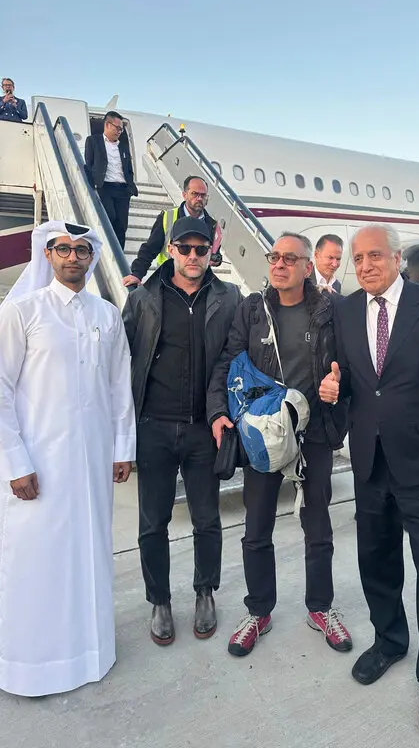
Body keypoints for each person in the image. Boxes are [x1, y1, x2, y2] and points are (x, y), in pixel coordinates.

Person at [319, 224, 419, 738]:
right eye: (357, 258)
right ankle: (389, 640)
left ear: (396, 258)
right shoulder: (344, 311)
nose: (364, 265)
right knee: (376, 560)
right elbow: (350, 382)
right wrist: (332, 389)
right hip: (369, 459)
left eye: (374, 256)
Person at [0, 221, 136, 697]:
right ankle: (31, 665)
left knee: (90, 554)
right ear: (48, 255)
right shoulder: (22, 311)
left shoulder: (106, 314)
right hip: (38, 463)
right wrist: (15, 462)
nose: (73, 257)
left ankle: (90, 652)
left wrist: (123, 448)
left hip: (93, 461)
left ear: (91, 257)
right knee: (35, 559)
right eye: (63, 249)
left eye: (82, 250)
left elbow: (120, 385)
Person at [207, 232, 352, 658]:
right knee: (256, 530)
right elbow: (226, 361)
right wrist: (220, 412)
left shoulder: (332, 310)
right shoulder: (252, 310)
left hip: (315, 434)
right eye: (275, 256)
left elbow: (352, 362)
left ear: (309, 266)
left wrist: (338, 385)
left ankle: (320, 607)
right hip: (264, 433)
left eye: (291, 258)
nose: (280, 264)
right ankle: (259, 611)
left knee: (318, 525)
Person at [122, 217, 241, 645]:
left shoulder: (229, 298)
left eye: (201, 249)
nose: (194, 256)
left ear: (212, 251)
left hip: (203, 431)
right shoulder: (143, 298)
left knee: (207, 520)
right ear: (170, 249)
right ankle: (160, 600)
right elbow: (121, 362)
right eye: (185, 248)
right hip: (153, 427)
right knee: (153, 523)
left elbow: (241, 354)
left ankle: (205, 591)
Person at [123, 175, 222, 287]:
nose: (199, 198)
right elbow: (150, 249)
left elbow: (215, 253)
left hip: (198, 286)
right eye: (195, 194)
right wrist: (137, 274)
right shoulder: (167, 217)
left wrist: (216, 259)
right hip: (167, 283)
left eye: (203, 195)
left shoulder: (212, 225)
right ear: (184, 195)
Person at [84, 111, 138, 249]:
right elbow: (89, 164)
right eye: (117, 128)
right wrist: (93, 185)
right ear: (107, 124)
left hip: (123, 190)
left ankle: (119, 253)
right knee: (110, 217)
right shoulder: (93, 141)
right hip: (105, 187)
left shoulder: (123, 146)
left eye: (121, 129)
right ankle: (105, 249)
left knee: (121, 225)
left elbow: (128, 168)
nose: (120, 131)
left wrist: (130, 187)